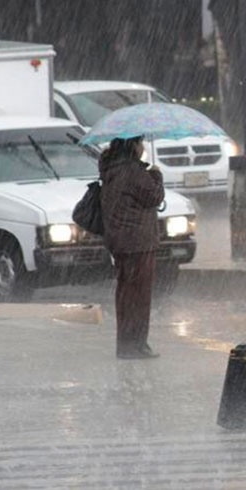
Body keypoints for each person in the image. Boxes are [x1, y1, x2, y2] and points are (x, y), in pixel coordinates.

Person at [99, 136, 165, 359]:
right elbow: (154, 196)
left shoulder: (111, 169)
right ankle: (136, 344)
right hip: (138, 242)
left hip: (120, 241)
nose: (143, 147)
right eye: (140, 142)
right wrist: (156, 175)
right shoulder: (132, 171)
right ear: (133, 146)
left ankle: (126, 342)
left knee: (126, 293)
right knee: (139, 295)